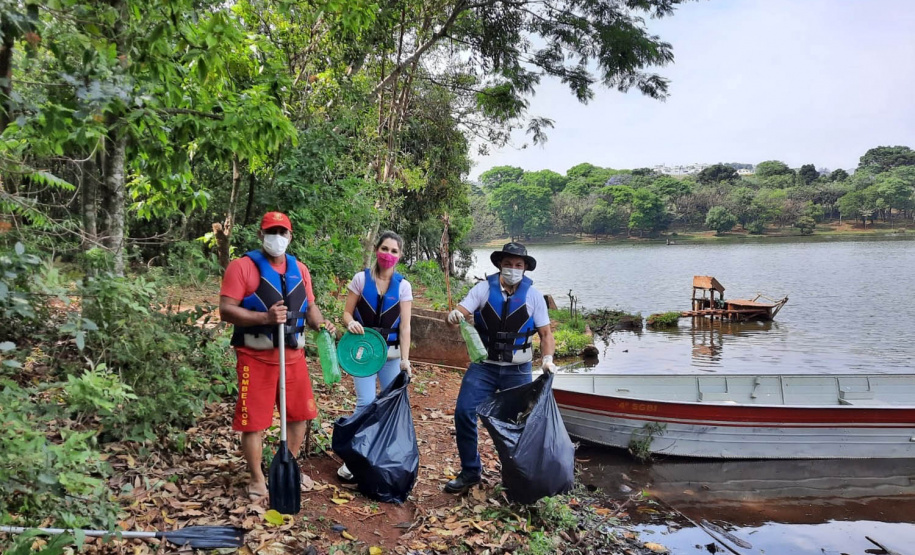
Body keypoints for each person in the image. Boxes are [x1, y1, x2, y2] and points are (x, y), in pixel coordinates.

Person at [219, 211, 336, 501]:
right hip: (255, 357)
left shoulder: (301, 269)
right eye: (272, 232)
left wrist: (321, 323)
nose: (277, 238)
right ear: (261, 235)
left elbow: (310, 308)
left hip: (293, 357)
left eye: (283, 232)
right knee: (254, 422)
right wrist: (264, 317)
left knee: (299, 416)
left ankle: (288, 466)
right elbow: (226, 309)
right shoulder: (242, 267)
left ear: (290, 236)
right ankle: (258, 478)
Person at [444, 242, 557, 494]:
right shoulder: (483, 289)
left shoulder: (534, 296)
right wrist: (453, 317)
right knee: (464, 412)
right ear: (499, 265)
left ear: (525, 269)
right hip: (484, 367)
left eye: (518, 265)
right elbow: (459, 314)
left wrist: (547, 358)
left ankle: (515, 477)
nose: (513, 269)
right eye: (508, 264)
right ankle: (470, 471)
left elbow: (546, 334)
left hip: (518, 370)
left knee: (516, 423)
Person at [336, 230, 413, 481]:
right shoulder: (360, 279)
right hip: (364, 353)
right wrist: (349, 324)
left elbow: (405, 326)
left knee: (388, 404)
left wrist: (405, 358)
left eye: (394, 251)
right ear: (377, 250)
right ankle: (354, 457)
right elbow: (346, 314)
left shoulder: (403, 286)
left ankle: (379, 455)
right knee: (366, 401)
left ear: (399, 256)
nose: (388, 254)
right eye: (384, 249)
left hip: (390, 355)